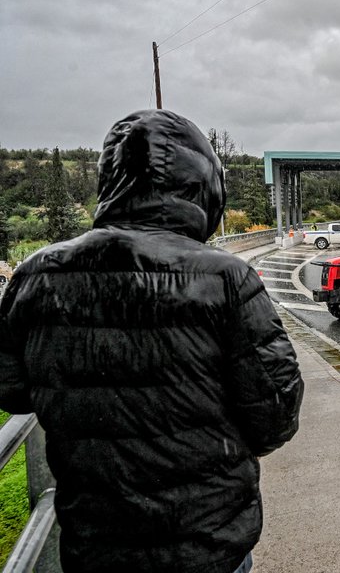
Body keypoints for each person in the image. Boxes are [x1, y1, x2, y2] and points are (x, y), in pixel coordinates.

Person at [0, 109, 304, 573]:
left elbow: (12, 390)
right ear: (201, 186)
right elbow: (276, 413)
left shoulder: (37, 274)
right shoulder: (226, 279)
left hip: (95, 542)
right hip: (208, 542)